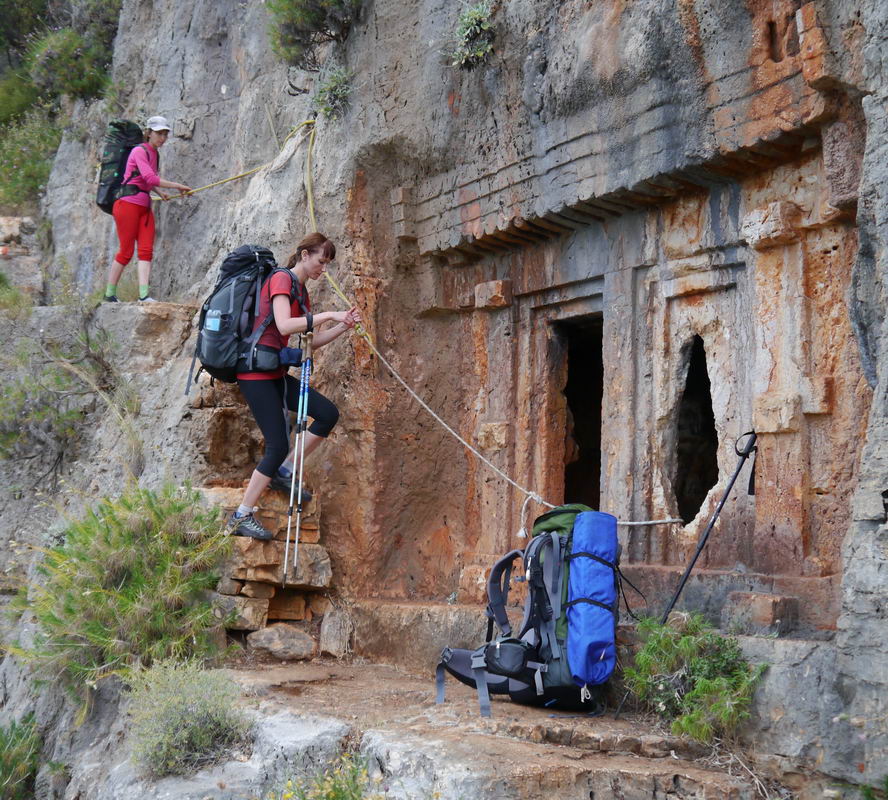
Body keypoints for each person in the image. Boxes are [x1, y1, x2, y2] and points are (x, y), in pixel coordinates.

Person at [229, 232, 362, 540]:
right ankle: (240, 516)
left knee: (327, 414)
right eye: (321, 261)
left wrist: (342, 326)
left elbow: (309, 342)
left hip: (273, 372)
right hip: (254, 373)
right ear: (304, 255)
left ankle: (283, 472)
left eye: (327, 264)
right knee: (276, 445)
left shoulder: (301, 292)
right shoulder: (281, 280)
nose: (323, 270)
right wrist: (329, 314)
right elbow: (285, 326)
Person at [103, 115, 192, 303]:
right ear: (149, 133)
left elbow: (147, 180)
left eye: (165, 134)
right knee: (126, 252)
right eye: (159, 133)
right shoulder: (139, 151)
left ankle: (144, 295)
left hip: (143, 207)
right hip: (127, 205)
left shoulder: (154, 153)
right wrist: (178, 186)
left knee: (146, 250)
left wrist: (160, 193)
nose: (162, 138)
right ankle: (109, 294)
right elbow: (150, 178)